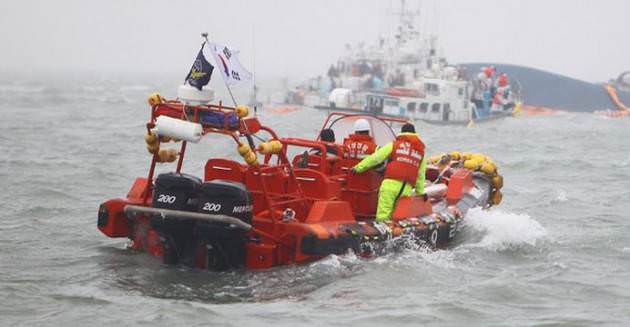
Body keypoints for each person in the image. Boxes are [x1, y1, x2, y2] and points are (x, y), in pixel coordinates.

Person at [351, 123, 427, 222]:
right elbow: (420, 175)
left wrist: (358, 168)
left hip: (389, 186)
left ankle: (382, 234)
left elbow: (376, 158)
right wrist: (420, 192)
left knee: (383, 215)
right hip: (406, 189)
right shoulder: (420, 151)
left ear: (402, 133)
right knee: (399, 217)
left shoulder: (394, 145)